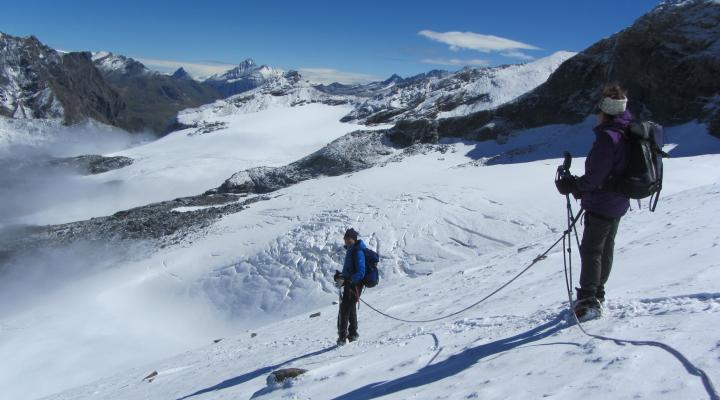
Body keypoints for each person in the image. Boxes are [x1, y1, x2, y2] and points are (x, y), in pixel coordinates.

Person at [557, 84, 631, 319]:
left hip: (603, 203)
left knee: (591, 251)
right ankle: (597, 293)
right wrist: (583, 188)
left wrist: (574, 186)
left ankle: (588, 300)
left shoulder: (607, 138)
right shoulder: (627, 130)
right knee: (605, 248)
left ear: (604, 110)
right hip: (617, 201)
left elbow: (596, 177)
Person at [334, 228, 366, 346]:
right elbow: (350, 270)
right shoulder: (351, 250)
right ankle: (353, 333)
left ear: (354, 239)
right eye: (345, 239)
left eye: (349, 239)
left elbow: (361, 272)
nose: (346, 241)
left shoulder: (358, 252)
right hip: (350, 284)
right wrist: (341, 276)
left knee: (344, 309)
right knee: (350, 308)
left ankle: (343, 337)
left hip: (354, 285)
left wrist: (349, 280)